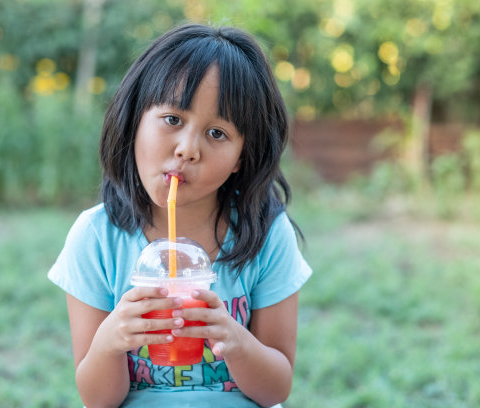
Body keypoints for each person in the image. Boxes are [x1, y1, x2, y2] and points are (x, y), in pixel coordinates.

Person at [48, 23, 312, 408]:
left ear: (242, 156)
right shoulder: (97, 237)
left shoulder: (267, 234)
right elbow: (97, 400)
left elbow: (276, 389)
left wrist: (236, 342)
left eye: (217, 133)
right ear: (135, 118)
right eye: (173, 119)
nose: (188, 149)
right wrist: (109, 343)